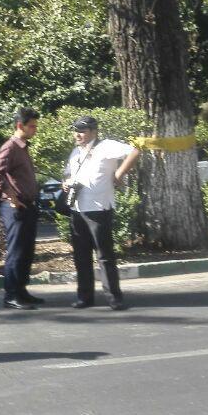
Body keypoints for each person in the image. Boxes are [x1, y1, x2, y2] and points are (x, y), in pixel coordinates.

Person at [63, 115, 141, 311]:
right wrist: (66, 182)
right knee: (81, 256)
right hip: (77, 209)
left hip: (99, 209)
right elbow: (68, 173)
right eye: (75, 131)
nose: (77, 134)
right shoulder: (75, 151)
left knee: (104, 256)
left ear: (93, 132)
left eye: (82, 131)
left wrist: (119, 173)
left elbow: (134, 151)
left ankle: (114, 297)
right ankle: (85, 297)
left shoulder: (106, 146)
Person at [0, 108, 43, 311]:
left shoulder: (23, 147)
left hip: (27, 205)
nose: (35, 130)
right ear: (20, 126)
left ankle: (21, 291)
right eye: (32, 126)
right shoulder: (10, 147)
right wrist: (12, 197)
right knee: (17, 251)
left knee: (26, 251)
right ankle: (11, 295)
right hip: (16, 207)